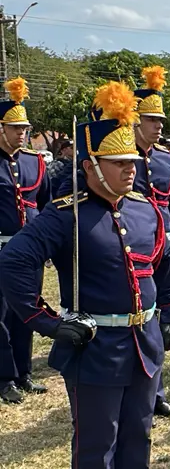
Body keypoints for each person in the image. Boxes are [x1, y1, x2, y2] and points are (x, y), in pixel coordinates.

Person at [0, 81, 170, 468]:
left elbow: (164, 262)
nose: (129, 170)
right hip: (96, 348)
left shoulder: (145, 209)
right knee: (98, 446)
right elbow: (14, 261)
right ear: (90, 166)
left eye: (132, 162)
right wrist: (47, 322)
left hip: (144, 344)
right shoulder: (67, 214)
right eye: (119, 163)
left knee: (140, 435)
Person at [132, 65, 170, 417]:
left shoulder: (167, 158)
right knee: (139, 315)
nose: (160, 125)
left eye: (161, 119)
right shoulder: (118, 159)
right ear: (135, 121)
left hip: (164, 246)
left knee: (164, 316)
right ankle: (142, 391)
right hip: (133, 249)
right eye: (152, 119)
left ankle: (157, 390)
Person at [0, 77, 50, 404]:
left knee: (26, 312)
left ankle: (24, 373)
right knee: (1, 316)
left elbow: (45, 206)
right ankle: (5, 378)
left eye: (25, 127)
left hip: (29, 250)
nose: (22, 132)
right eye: (15, 127)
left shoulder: (34, 161)